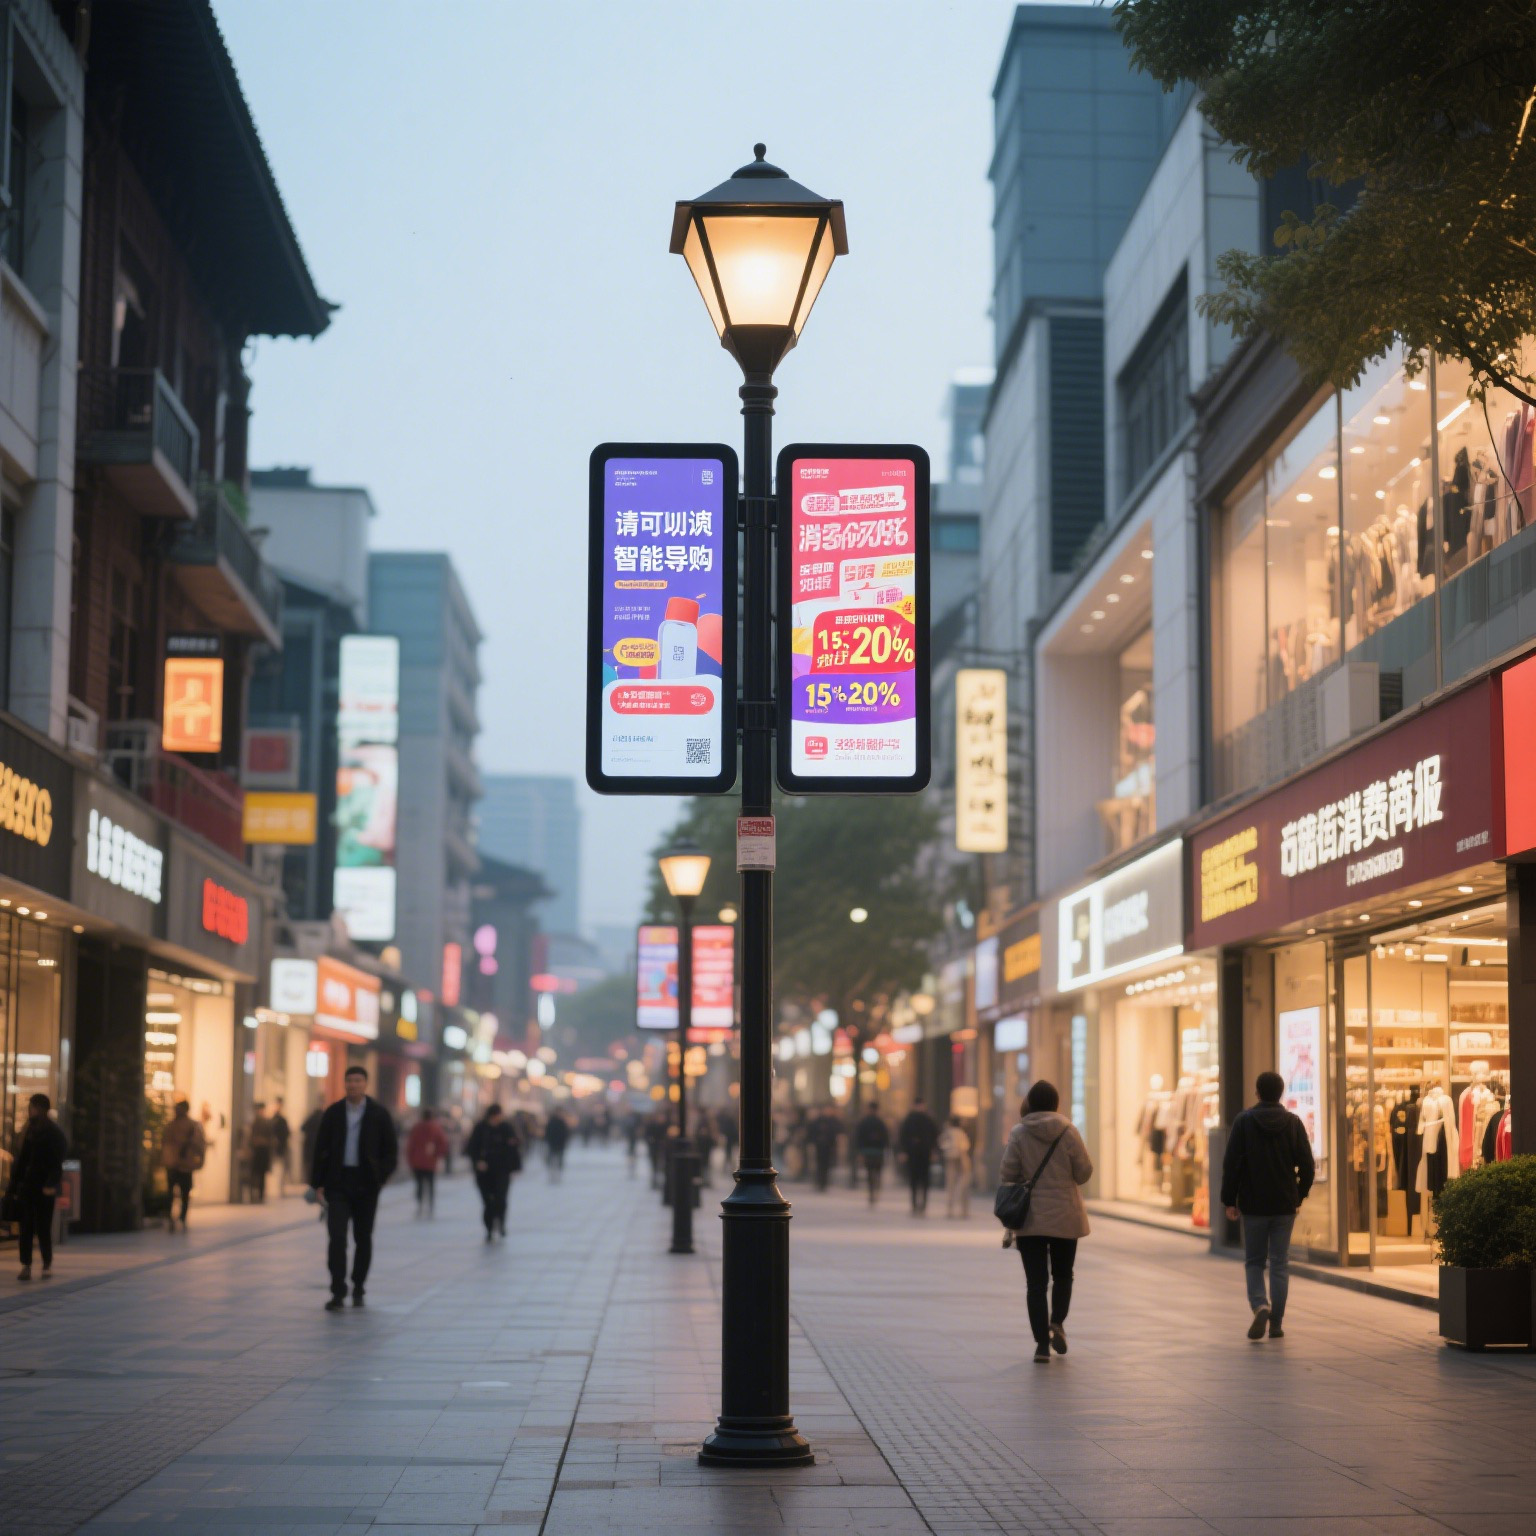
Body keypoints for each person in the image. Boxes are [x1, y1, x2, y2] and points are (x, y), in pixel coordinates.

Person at [999, 1081, 1093, 1364]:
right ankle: (1057, 1324)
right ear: (1055, 1102)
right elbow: (1084, 1172)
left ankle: (1041, 1345)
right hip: (1065, 1215)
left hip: (1031, 1219)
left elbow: (1007, 1172)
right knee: (1063, 1274)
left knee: (1036, 1283)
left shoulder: (1019, 1132)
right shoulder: (1068, 1130)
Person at [1221, 1069, 1316, 1342]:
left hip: (1253, 1204)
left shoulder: (1244, 1122)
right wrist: (1298, 1195)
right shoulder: (1293, 1123)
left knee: (1254, 1261)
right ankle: (1276, 1323)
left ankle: (1260, 1305)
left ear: (1257, 1093)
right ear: (1281, 1093)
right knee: (1279, 1263)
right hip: (1284, 1204)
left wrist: (1230, 1199)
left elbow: (1232, 1164)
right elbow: (1307, 1166)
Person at [309, 1065, 398, 1310]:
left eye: (358, 1081)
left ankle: (358, 1283)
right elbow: (320, 1149)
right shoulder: (334, 1113)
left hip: (366, 1184)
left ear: (365, 1084)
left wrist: (380, 1177)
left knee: (363, 1236)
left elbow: (391, 1151)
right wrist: (317, 1183)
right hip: (338, 1183)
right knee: (337, 1237)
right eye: (349, 1081)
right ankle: (338, 1289)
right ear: (344, 1083)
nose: (353, 1085)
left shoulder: (379, 1114)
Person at [8, 1094, 66, 1281]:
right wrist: (13, 1188)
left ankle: (46, 1262)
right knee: (26, 1227)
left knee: (42, 1227)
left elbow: (57, 1163)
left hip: (44, 1188)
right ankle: (26, 1265)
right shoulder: (28, 1130)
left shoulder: (53, 1132)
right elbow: (20, 1161)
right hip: (28, 1187)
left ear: (41, 1109)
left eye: (33, 1106)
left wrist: (51, 1184)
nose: (30, 1110)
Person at [466, 1104, 522, 1240]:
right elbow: (471, 1147)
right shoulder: (481, 1128)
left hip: (502, 1170)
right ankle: (489, 1228)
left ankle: (501, 1223)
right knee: (488, 1202)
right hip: (485, 1172)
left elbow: (515, 1147)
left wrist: (515, 1165)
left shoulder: (506, 1128)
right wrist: (478, 1161)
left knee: (501, 1198)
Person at [161, 1098, 207, 1231]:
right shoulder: (173, 1125)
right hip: (176, 1164)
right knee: (175, 1192)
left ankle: (180, 1217)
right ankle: (176, 1217)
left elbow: (199, 1144)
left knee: (182, 1192)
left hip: (182, 1164)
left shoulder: (190, 1126)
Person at [898, 1098, 941, 1215]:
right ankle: (915, 1204)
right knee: (915, 1179)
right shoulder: (912, 1119)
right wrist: (903, 1151)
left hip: (923, 1153)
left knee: (923, 1179)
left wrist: (933, 1151)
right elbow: (903, 1136)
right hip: (915, 1153)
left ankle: (922, 1204)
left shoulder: (926, 1120)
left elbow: (935, 1136)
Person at [405, 1108, 450, 1215]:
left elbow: (410, 1145)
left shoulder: (416, 1128)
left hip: (417, 1162)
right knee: (430, 1184)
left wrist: (410, 1159)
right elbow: (443, 1144)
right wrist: (437, 1154)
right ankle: (430, 1205)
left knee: (419, 1184)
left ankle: (420, 1204)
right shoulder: (436, 1128)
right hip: (431, 1162)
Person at [854, 1102, 890, 1206]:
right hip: (877, 1152)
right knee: (877, 1173)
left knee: (870, 1173)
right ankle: (875, 1189)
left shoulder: (864, 1122)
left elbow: (859, 1138)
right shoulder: (880, 1123)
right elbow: (886, 1138)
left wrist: (860, 1151)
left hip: (868, 1151)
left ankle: (872, 1191)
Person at [939, 1116, 972, 1218]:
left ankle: (950, 1210)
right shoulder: (961, 1133)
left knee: (950, 1186)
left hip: (950, 1160)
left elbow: (942, 1144)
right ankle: (964, 1210)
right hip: (962, 1160)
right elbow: (966, 1146)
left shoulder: (947, 1133)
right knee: (963, 1186)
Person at [807, 1106, 842, 1192]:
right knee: (820, 1165)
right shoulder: (819, 1122)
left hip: (826, 1147)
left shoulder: (830, 1122)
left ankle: (823, 1182)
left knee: (825, 1165)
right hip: (820, 1147)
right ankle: (820, 1182)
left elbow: (834, 1134)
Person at [246, 1103, 274, 1203]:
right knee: (255, 1174)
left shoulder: (265, 1122)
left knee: (260, 1174)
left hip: (262, 1152)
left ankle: (260, 1195)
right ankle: (255, 1194)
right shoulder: (255, 1123)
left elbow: (270, 1138)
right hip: (257, 1152)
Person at [270, 1098, 292, 1195]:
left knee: (281, 1169)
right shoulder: (275, 1120)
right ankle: (276, 1188)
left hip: (281, 1148)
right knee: (277, 1169)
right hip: (277, 1149)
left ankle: (280, 1188)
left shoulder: (281, 1119)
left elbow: (287, 1133)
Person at [543, 1108, 570, 1181]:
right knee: (552, 1160)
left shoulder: (562, 1122)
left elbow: (566, 1133)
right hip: (553, 1144)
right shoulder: (551, 1122)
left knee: (559, 1160)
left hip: (560, 1144)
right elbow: (547, 1133)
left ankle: (557, 1175)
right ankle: (552, 1175)